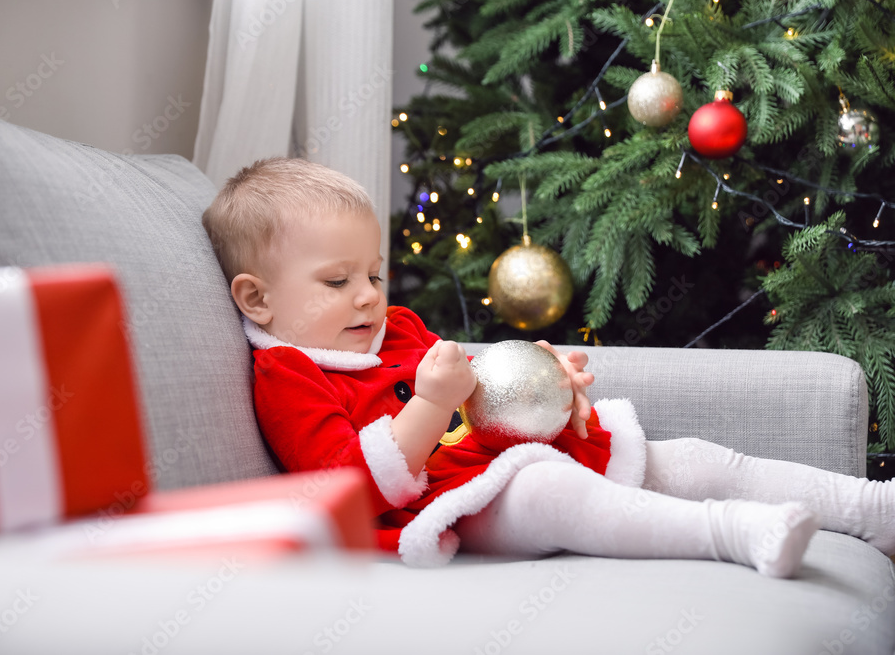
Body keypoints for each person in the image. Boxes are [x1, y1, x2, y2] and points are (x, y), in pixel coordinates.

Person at [203, 157, 894, 575]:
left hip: (497, 454)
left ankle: (869, 506)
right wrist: (429, 406)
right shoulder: (288, 375)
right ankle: (735, 534)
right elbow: (349, 488)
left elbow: (475, 378)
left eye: (375, 274)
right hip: (446, 507)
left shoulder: (396, 327)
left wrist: (538, 375)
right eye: (336, 281)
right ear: (257, 299)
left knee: (687, 456)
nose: (368, 295)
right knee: (553, 498)